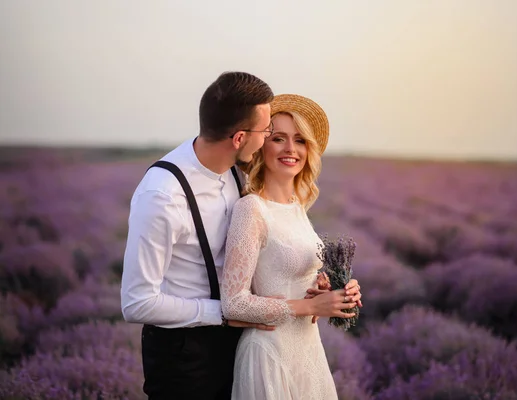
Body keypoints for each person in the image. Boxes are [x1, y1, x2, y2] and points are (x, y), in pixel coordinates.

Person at [120, 72, 361, 400]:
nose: (269, 140)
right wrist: (222, 312)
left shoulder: (241, 172)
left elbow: (267, 252)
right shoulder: (162, 195)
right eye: (268, 133)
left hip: (246, 337)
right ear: (239, 138)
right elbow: (137, 303)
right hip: (184, 357)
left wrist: (309, 286)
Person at [221, 93, 360, 400]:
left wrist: (330, 290)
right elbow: (233, 303)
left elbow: (290, 276)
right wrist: (310, 306)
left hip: (307, 351)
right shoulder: (252, 209)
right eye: (278, 138)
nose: (290, 149)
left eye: (299, 140)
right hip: (269, 353)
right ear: (261, 146)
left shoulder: (297, 205)